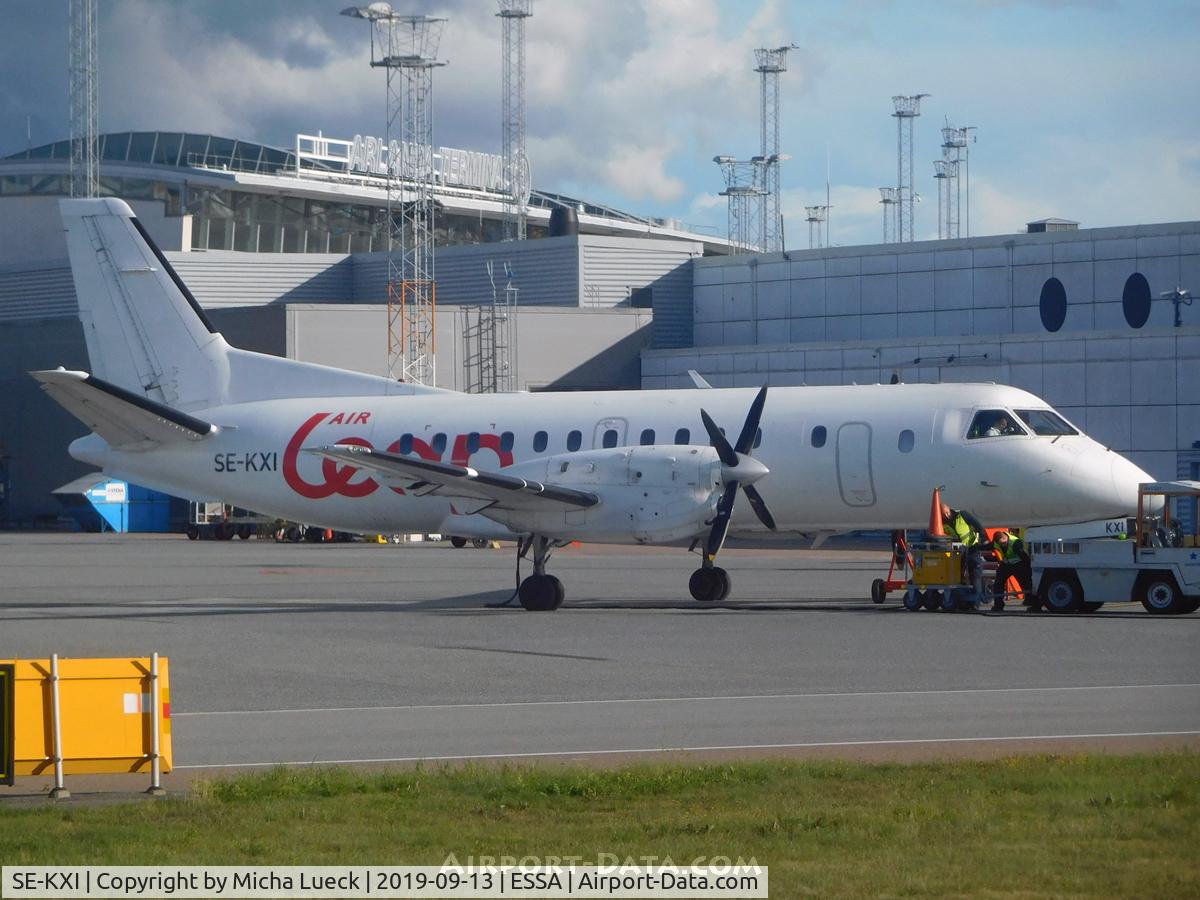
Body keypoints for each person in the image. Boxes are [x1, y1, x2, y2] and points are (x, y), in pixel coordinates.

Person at [941, 502, 987, 601]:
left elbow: (977, 525)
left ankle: (977, 596)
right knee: (958, 573)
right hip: (958, 550)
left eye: (946, 513)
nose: (945, 516)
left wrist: (983, 539)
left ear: (948, 510)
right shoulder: (942, 521)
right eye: (943, 514)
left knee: (975, 571)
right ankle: (961, 596)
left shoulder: (962, 515)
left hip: (971, 547)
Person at [992, 529, 1033, 612]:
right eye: (1000, 544)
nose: (1002, 545)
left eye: (1003, 543)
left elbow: (1025, 558)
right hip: (1007, 564)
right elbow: (989, 546)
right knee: (998, 583)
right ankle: (998, 605)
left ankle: (1032, 603)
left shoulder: (1015, 543)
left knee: (1025, 583)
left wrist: (1029, 569)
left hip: (1019, 564)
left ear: (1005, 538)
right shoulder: (997, 542)